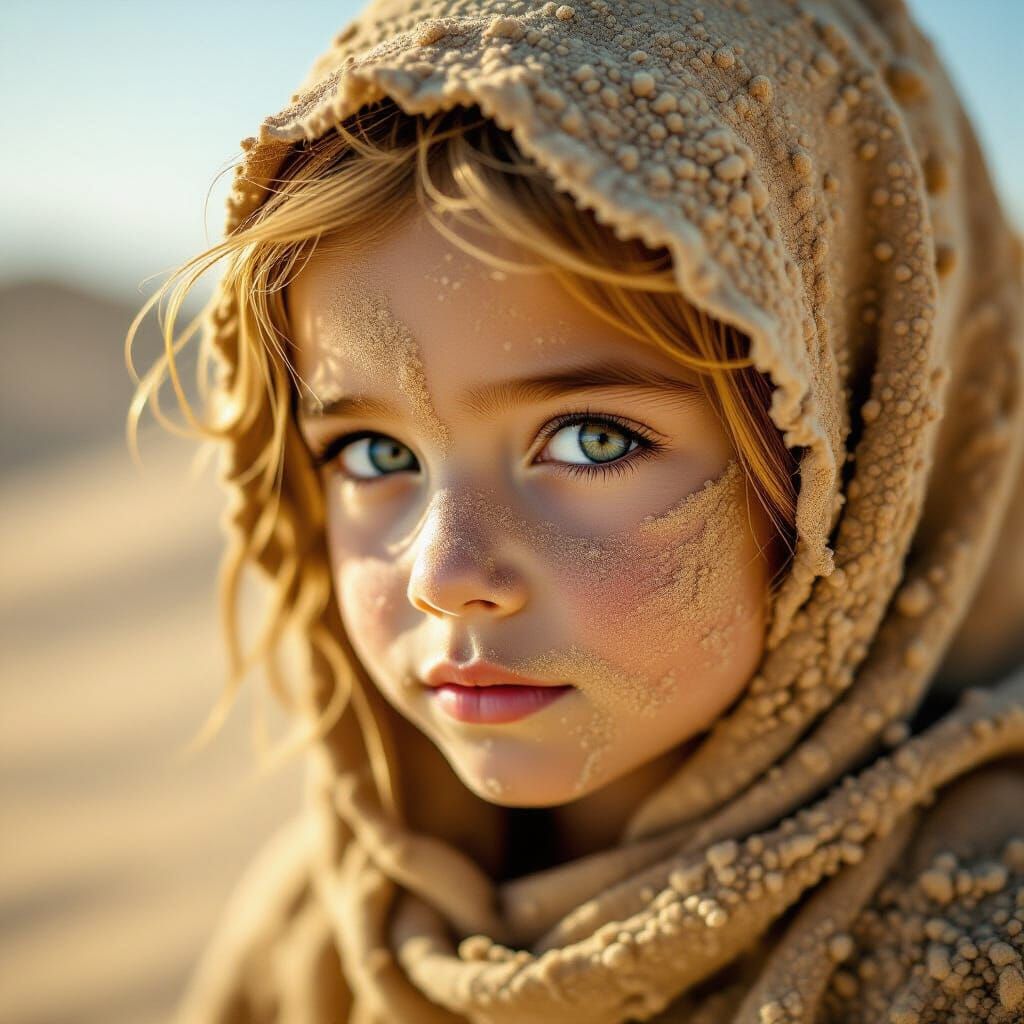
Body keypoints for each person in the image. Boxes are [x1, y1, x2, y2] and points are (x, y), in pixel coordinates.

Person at [127, 1, 1024, 1020]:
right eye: (376, 453)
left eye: (592, 440)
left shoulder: (978, 955)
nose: (443, 572)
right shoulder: (322, 932)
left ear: (864, 445)